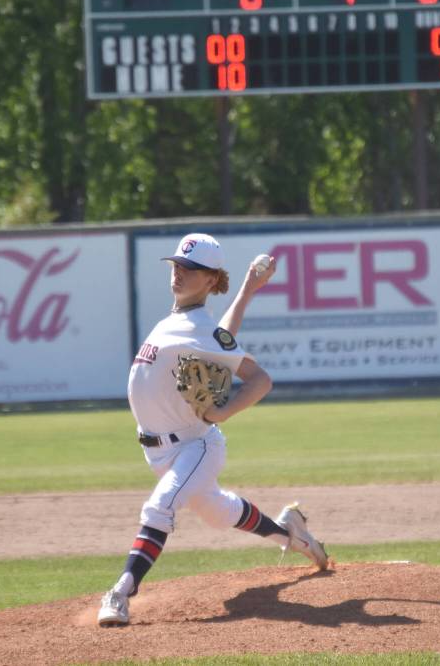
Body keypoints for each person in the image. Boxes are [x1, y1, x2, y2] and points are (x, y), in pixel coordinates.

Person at [97, 232, 329, 627]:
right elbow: (223, 339)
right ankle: (293, 534)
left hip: (195, 445)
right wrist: (247, 290)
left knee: (160, 507)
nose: (179, 273)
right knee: (220, 512)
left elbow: (260, 380)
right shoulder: (181, 323)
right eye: (177, 265)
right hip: (160, 451)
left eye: (191, 269)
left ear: (209, 280)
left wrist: (222, 413)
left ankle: (120, 592)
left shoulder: (199, 327)